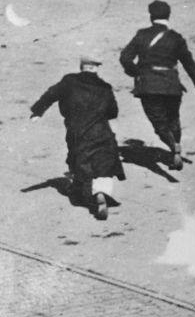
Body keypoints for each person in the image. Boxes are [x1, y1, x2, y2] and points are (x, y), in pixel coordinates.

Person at [30, 54, 125, 221]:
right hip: (102, 131)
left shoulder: (69, 81)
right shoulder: (105, 87)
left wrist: (37, 111)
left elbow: (50, 94)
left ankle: (84, 192)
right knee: (104, 164)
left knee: (80, 161)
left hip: (78, 131)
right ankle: (101, 192)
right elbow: (113, 112)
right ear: (95, 68)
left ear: (82, 67)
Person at [118, 0, 195, 170]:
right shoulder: (176, 37)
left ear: (151, 17)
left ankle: (173, 147)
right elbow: (188, 62)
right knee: (173, 118)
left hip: (149, 86)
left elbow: (125, 58)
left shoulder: (142, 35)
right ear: (168, 16)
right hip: (172, 86)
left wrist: (136, 72)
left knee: (159, 122)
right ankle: (177, 148)